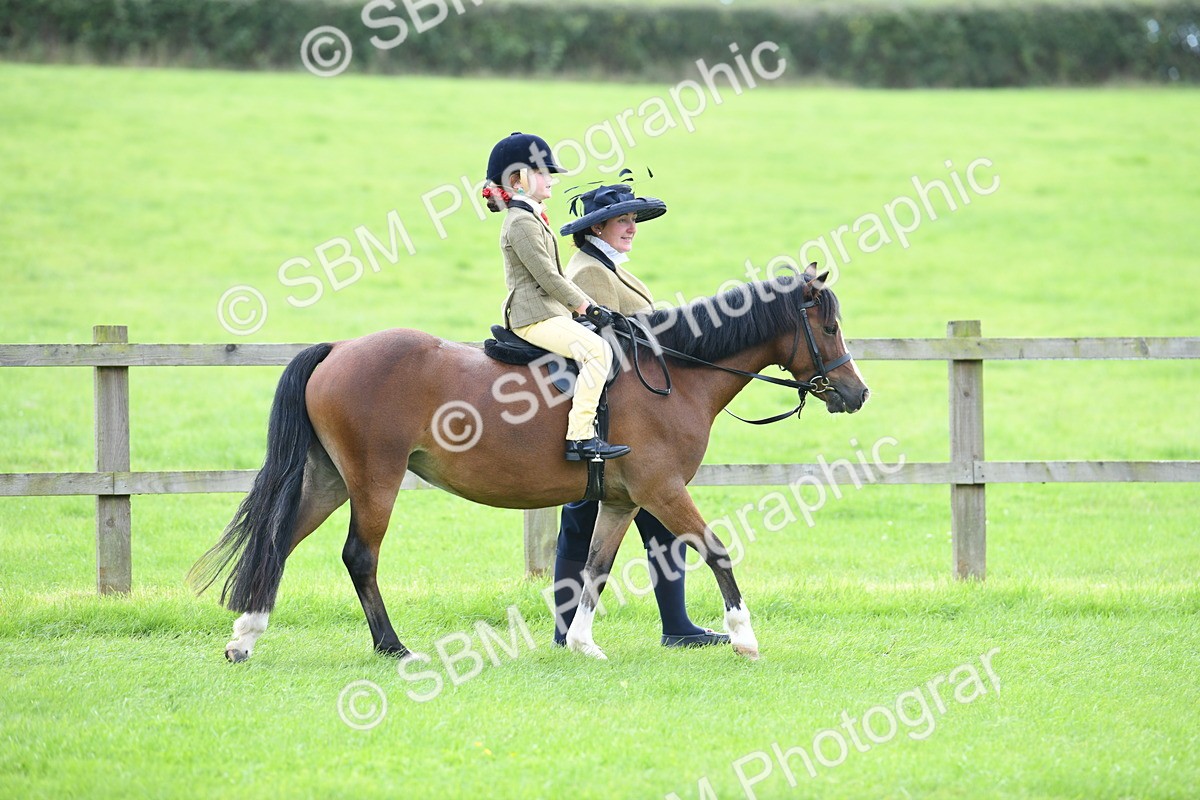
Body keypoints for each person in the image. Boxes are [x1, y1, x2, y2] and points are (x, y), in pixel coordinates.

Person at [550, 183, 731, 648]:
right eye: (622, 220)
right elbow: (603, 342)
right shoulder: (588, 273)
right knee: (581, 518)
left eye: (633, 220)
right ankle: (566, 630)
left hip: (633, 415)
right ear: (597, 228)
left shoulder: (613, 270)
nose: (632, 227)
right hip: (605, 414)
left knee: (662, 519)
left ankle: (677, 625)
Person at [484, 132, 630, 462]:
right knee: (597, 351)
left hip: (549, 311)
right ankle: (580, 437)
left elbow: (559, 277)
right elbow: (548, 278)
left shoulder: (532, 218)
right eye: (541, 172)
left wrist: (586, 310)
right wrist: (586, 308)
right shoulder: (521, 222)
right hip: (533, 315)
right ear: (517, 180)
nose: (550, 178)